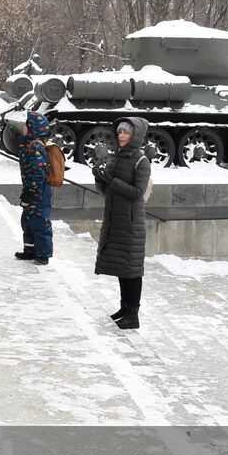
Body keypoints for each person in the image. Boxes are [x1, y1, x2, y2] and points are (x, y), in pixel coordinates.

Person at [92, 118, 151, 330]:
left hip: (131, 222)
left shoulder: (141, 161)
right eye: (119, 133)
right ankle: (124, 308)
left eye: (126, 133)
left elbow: (137, 193)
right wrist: (99, 178)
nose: (122, 136)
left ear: (135, 135)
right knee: (121, 266)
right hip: (115, 219)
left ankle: (133, 314)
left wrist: (110, 180)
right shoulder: (116, 157)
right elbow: (107, 190)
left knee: (132, 270)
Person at [14, 111, 53, 266]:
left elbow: (38, 172)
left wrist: (30, 192)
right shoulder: (28, 143)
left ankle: (43, 253)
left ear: (33, 128)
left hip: (39, 191)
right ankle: (30, 250)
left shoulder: (36, 146)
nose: (23, 128)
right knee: (27, 220)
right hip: (30, 189)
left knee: (39, 221)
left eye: (26, 125)